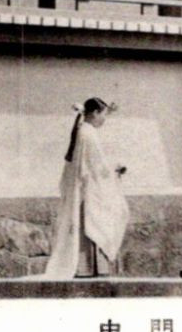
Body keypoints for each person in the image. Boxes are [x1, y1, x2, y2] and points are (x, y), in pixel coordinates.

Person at [43, 98, 129, 279]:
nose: (104, 119)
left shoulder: (82, 130)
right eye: (104, 115)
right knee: (94, 221)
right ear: (95, 113)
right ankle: (89, 268)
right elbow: (96, 165)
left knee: (86, 224)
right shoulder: (88, 133)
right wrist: (115, 170)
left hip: (83, 189)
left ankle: (86, 267)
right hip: (88, 189)